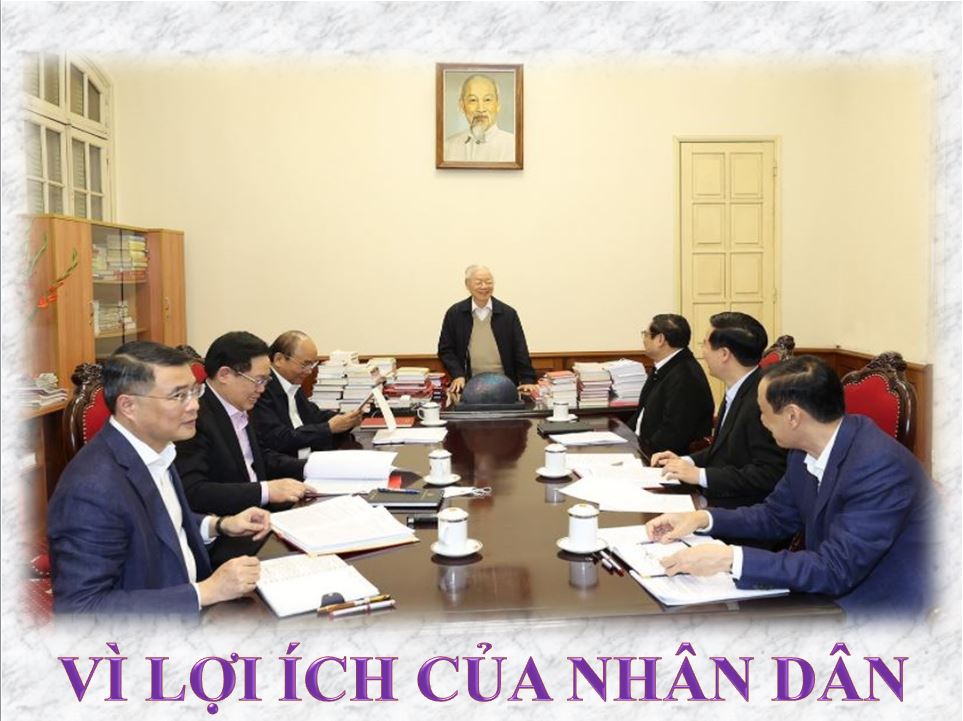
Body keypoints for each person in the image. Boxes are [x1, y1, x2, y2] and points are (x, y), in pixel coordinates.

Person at [645, 355, 932, 615]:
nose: (760, 421)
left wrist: (731, 559)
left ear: (793, 416)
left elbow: (836, 569)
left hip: (880, 605)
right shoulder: (802, 450)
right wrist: (700, 519)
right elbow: (774, 516)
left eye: (762, 411)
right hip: (829, 586)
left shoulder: (879, 467)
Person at [46, 342, 270, 614]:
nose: (194, 406)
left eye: (194, 391)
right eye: (179, 396)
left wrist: (220, 525)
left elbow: (159, 520)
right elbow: (80, 609)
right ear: (128, 406)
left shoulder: (157, 448)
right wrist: (205, 592)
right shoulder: (90, 489)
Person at [175, 332, 309, 564]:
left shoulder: (239, 405)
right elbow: (194, 491)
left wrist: (308, 468)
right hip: (227, 534)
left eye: (266, 381)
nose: (262, 389)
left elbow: (259, 458)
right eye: (258, 380)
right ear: (225, 375)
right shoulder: (193, 419)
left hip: (261, 518)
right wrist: (266, 490)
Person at [650, 311, 786, 508]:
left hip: (742, 509)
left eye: (705, 344)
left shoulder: (761, 401)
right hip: (721, 499)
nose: (703, 352)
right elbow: (723, 451)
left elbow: (769, 474)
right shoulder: (739, 387)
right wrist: (685, 461)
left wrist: (700, 475)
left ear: (724, 354)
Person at [252, 330, 362, 459]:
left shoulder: (292, 382)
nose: (309, 371)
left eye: (312, 364)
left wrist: (346, 419)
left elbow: (313, 415)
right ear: (279, 359)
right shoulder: (261, 390)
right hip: (289, 465)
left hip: (310, 458)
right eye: (305, 364)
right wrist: (329, 428)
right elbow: (279, 438)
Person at [438, 264, 537, 397]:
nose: (484, 286)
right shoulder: (455, 313)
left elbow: (520, 349)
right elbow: (446, 350)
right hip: (468, 386)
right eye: (479, 282)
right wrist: (457, 374)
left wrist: (527, 379)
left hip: (505, 385)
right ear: (467, 285)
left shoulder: (508, 313)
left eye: (488, 282)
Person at [626, 313, 714, 456]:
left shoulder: (685, 376)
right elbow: (641, 414)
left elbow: (673, 433)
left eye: (646, 334)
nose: (644, 340)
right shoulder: (665, 366)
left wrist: (642, 455)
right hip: (642, 447)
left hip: (664, 458)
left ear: (660, 339)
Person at [444, 74, 515, 163]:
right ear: (461, 106)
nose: (480, 109)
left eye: (487, 100)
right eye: (473, 100)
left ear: (498, 105)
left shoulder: (513, 145)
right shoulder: (448, 147)